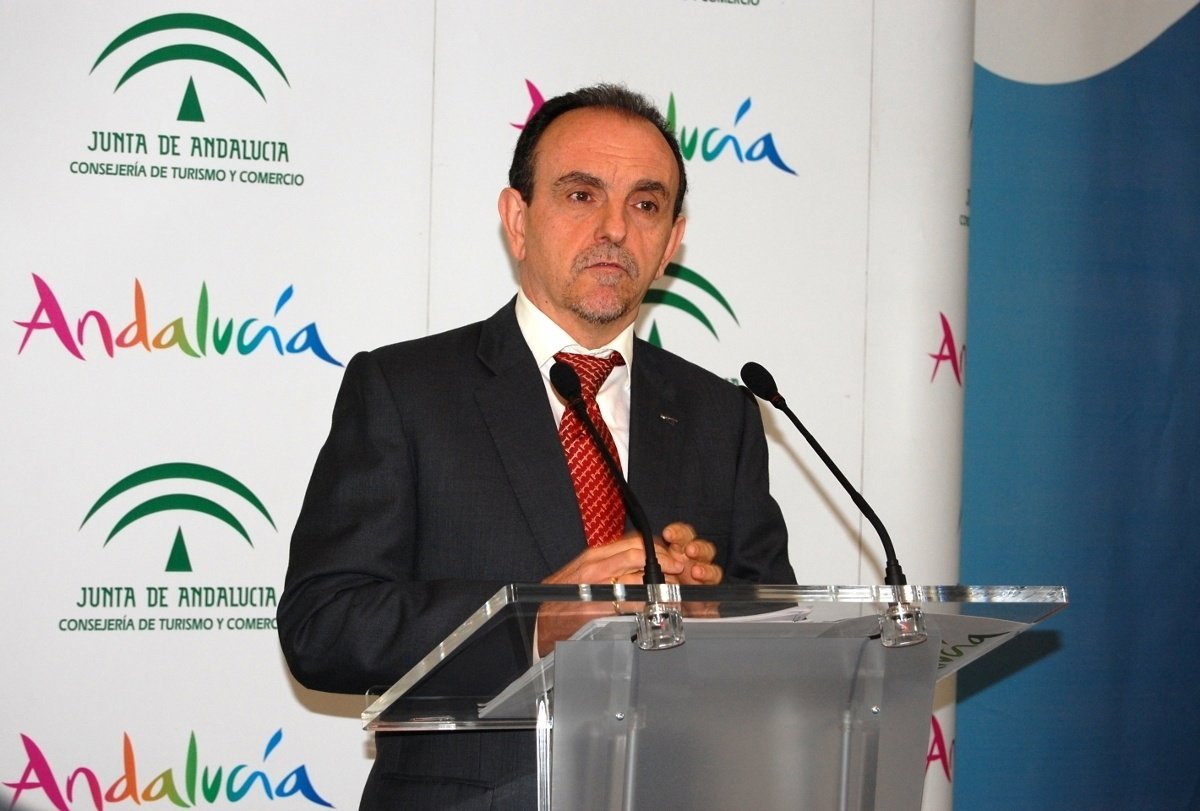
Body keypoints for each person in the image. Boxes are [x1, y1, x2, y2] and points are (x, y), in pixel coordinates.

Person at [277, 84, 795, 810]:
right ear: (517, 220)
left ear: (671, 242)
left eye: (645, 205)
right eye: (582, 195)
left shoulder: (721, 414)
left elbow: (778, 637)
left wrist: (712, 617)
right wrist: (533, 625)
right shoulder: (405, 390)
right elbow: (323, 624)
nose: (614, 228)